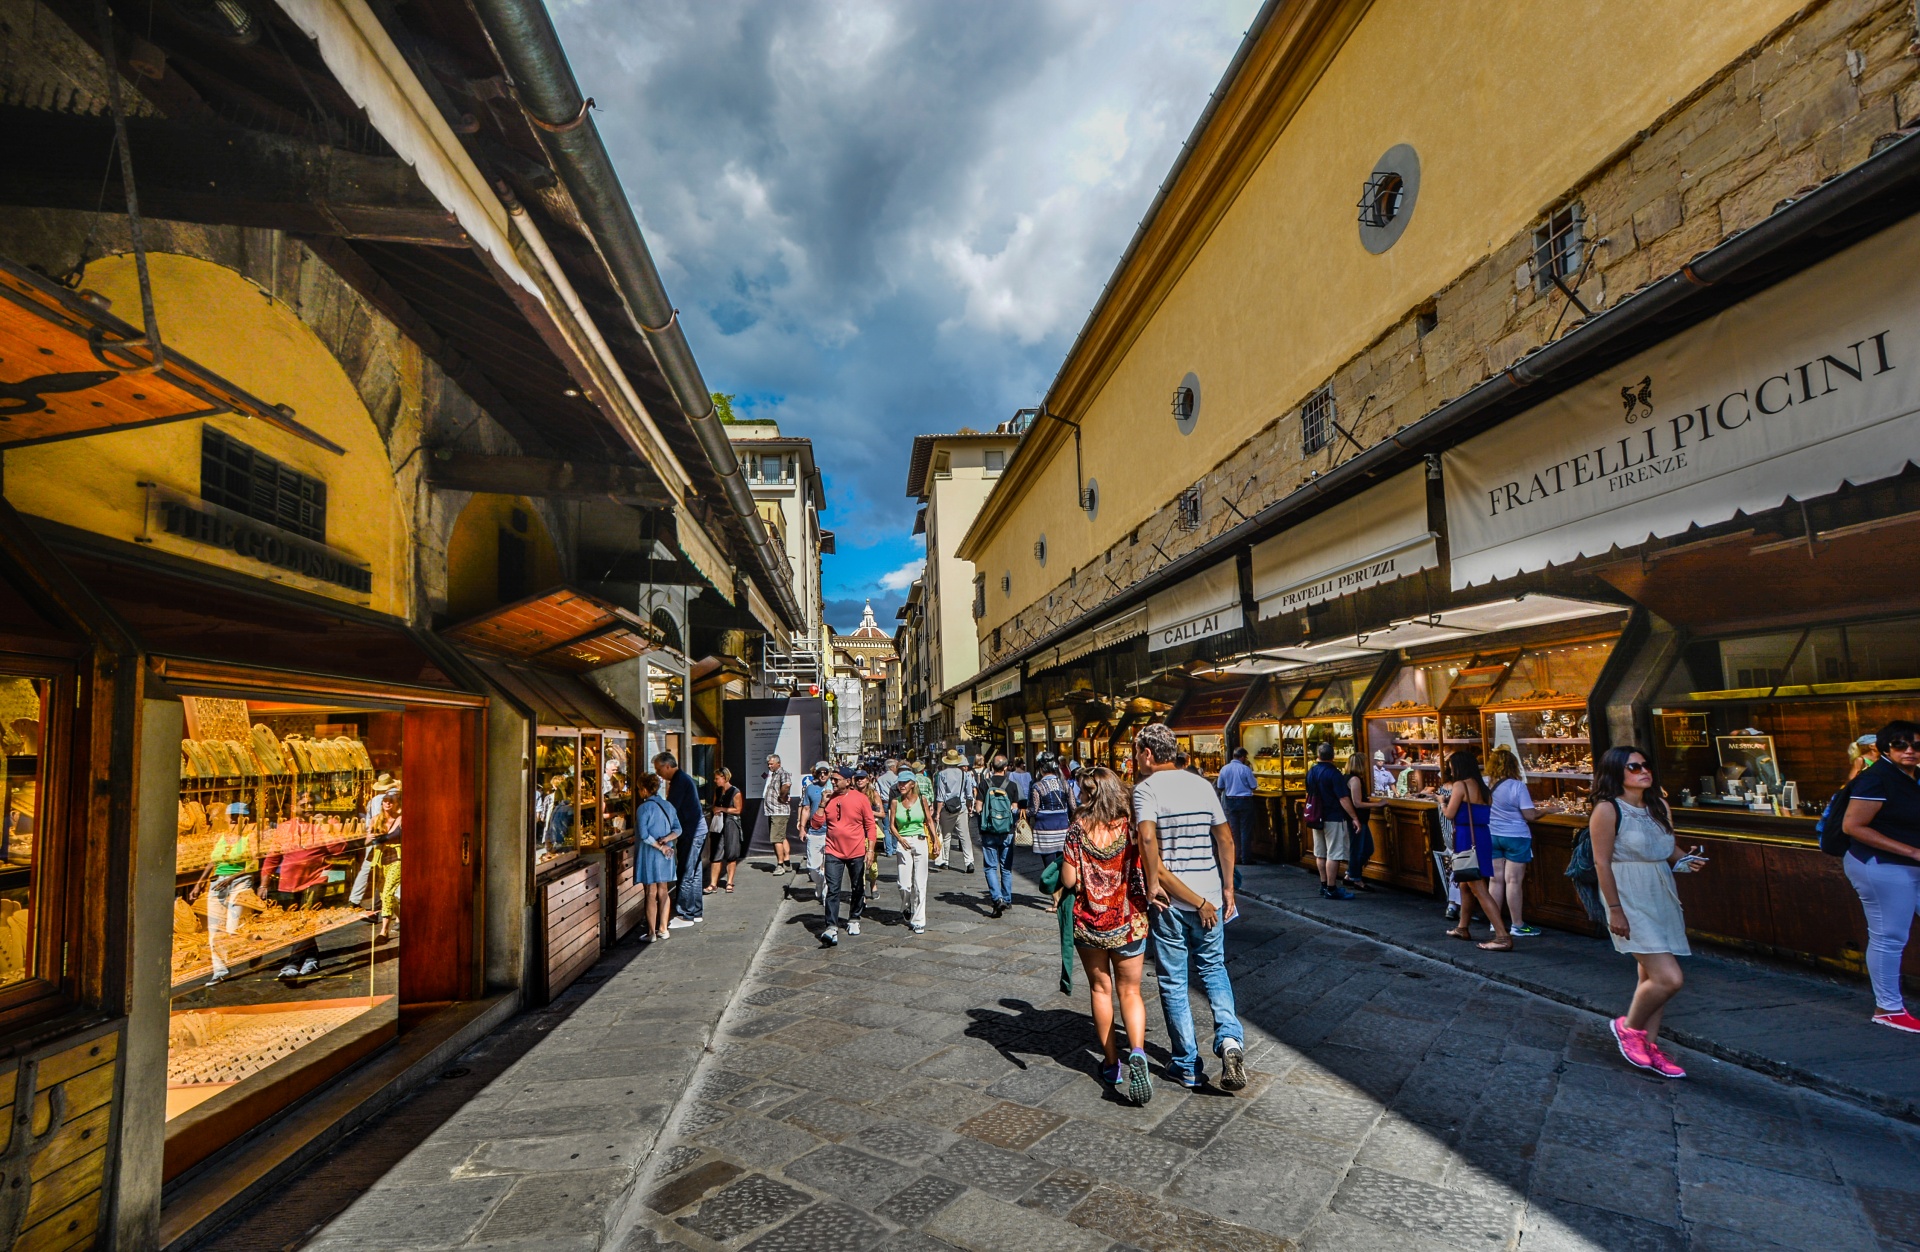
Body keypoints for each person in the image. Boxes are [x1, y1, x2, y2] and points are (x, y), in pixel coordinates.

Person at [1132, 723, 1247, 1092]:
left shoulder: (1145, 789)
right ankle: (1230, 1040)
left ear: (1148, 754)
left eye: (1137, 753)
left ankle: (1186, 1064)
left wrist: (1152, 880)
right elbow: (1225, 838)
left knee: (1174, 981)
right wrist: (1228, 887)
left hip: (1171, 902)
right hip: (1211, 895)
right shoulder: (1201, 784)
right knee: (1214, 969)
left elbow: (1147, 837)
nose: (1135, 760)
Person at [1591, 745, 1706, 1076]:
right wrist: (1615, 909)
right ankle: (1629, 1028)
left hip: (1661, 890)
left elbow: (1667, 849)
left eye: (1645, 764)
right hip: (1628, 893)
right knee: (1668, 978)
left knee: (1650, 975)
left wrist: (1686, 860)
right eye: (1633, 766)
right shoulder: (1608, 809)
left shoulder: (1659, 805)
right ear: (1617, 773)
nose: (1643, 770)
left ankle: (1648, 1045)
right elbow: (1601, 862)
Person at [1059, 764, 1155, 1105]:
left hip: (1089, 923)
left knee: (1101, 990)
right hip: (1129, 920)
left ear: (1089, 793)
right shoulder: (1130, 827)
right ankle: (1139, 1051)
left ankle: (1112, 1064)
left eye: (1083, 792)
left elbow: (1069, 881)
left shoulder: (1077, 830)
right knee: (1131, 991)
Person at [1841, 720, 1920, 1032]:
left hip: (1910, 864)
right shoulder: (1876, 779)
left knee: (1891, 935)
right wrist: (1912, 851)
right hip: (1880, 865)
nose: (1910, 751)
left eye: (1916, 745)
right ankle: (1887, 1008)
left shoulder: (1913, 777)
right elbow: (1853, 827)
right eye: (1901, 745)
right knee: (1890, 936)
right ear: (1886, 748)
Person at [1442, 749, 1512, 952]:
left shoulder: (1460, 785)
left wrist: (1441, 803)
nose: (1450, 770)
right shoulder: (1483, 787)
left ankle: (1502, 936)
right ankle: (1462, 927)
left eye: (1451, 766)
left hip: (1465, 837)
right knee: (1466, 883)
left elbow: (1450, 814)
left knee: (1478, 887)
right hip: (1482, 836)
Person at [193, 803, 258, 987]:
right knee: (214, 930)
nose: (235, 819)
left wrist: (231, 878)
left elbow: (253, 865)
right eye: (232, 815)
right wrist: (199, 883)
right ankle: (220, 971)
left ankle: (251, 945)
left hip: (239, 883)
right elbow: (212, 861)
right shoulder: (221, 837)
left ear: (245, 818)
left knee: (232, 928)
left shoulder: (249, 837)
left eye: (240, 815)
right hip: (217, 883)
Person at [818, 767, 877, 947]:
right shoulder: (828, 798)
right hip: (833, 851)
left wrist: (870, 850)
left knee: (857, 886)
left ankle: (854, 918)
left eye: (836, 779)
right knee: (833, 889)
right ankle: (831, 926)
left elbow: (870, 825)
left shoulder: (860, 799)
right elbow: (816, 823)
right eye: (832, 779)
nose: (832, 782)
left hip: (856, 851)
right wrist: (822, 803)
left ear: (847, 781)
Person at [1485, 747, 1541, 936]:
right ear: (1513, 765)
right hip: (1516, 836)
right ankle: (1517, 925)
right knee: (1513, 881)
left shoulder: (1485, 783)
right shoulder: (1517, 786)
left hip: (1492, 835)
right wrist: (1548, 810)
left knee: (1495, 880)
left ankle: (1495, 922)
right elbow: (1530, 815)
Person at [655, 752, 706, 928]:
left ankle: (685, 914)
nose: (658, 773)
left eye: (658, 769)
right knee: (694, 871)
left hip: (691, 832)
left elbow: (671, 809)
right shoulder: (683, 778)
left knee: (685, 871)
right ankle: (696, 912)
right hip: (697, 830)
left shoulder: (679, 781)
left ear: (667, 766)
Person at [1305, 742, 1358, 900]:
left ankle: (1323, 884)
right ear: (1332, 756)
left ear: (1318, 755)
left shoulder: (1312, 771)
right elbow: (1343, 798)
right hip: (1333, 816)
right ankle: (1331, 887)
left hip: (1316, 815)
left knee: (1320, 853)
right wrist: (1354, 817)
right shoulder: (1334, 774)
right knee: (1333, 853)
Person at [633, 772, 680, 941]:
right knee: (664, 891)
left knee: (650, 892)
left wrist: (660, 846)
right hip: (667, 855)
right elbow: (678, 830)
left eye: (639, 789)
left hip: (650, 854)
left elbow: (645, 836)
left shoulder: (643, 808)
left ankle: (651, 932)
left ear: (645, 790)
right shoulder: (668, 806)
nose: (639, 792)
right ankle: (664, 928)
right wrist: (666, 841)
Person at [1029, 754, 1074, 911]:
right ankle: (1063, 898)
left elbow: (1034, 810)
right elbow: (1073, 807)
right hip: (1063, 829)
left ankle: (1056, 901)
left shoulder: (1037, 787)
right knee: (1063, 864)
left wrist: (1022, 813)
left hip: (1045, 830)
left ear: (1041, 770)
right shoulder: (1064, 784)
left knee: (1049, 866)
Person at [977, 758, 1020, 917]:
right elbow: (1015, 809)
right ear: (1006, 768)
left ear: (992, 767)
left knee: (990, 867)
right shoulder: (1012, 785)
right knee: (1006, 867)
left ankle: (997, 898)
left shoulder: (984, 784)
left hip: (988, 830)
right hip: (1006, 831)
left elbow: (978, 807)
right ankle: (1007, 899)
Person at [891, 774, 934, 932]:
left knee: (920, 883)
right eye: (900, 783)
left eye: (905, 783)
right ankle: (907, 905)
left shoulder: (922, 799)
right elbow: (892, 825)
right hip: (903, 842)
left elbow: (929, 821)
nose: (901, 785)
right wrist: (900, 838)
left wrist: (935, 840)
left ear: (912, 784)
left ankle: (919, 920)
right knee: (904, 885)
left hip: (920, 840)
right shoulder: (895, 802)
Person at [1343, 752, 1385, 892]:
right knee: (1360, 849)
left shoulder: (1348, 778)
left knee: (1363, 848)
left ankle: (1350, 874)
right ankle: (1356, 878)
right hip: (1358, 819)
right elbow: (1357, 803)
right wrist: (1377, 805)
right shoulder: (1355, 780)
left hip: (1358, 819)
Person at [1217, 747, 1258, 888]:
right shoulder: (1245, 769)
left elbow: (1220, 785)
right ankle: (1246, 857)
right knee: (1246, 829)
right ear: (1242, 757)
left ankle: (1237, 856)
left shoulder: (1225, 769)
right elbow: (1253, 785)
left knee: (1234, 830)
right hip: (1245, 800)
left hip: (1230, 800)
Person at [933, 749, 977, 872]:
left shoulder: (942, 774)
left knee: (946, 836)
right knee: (965, 836)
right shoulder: (965, 774)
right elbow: (969, 794)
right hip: (961, 807)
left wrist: (937, 813)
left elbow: (940, 796)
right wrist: (969, 806)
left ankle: (945, 861)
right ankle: (969, 862)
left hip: (947, 809)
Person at [705, 766, 745, 894]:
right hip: (718, 824)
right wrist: (715, 810)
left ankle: (730, 882)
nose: (715, 781)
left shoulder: (735, 792)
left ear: (724, 778)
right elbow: (714, 805)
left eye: (717, 778)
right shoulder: (718, 791)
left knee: (731, 853)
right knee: (715, 853)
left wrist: (723, 809)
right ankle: (713, 883)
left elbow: (738, 810)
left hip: (731, 823)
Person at [763, 753, 795, 877]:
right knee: (781, 837)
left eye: (771, 764)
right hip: (773, 811)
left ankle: (780, 865)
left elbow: (787, 784)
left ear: (778, 764)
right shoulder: (774, 775)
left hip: (779, 811)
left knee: (776, 838)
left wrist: (782, 797)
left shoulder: (783, 773)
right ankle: (786, 862)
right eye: (768, 764)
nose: (769, 766)